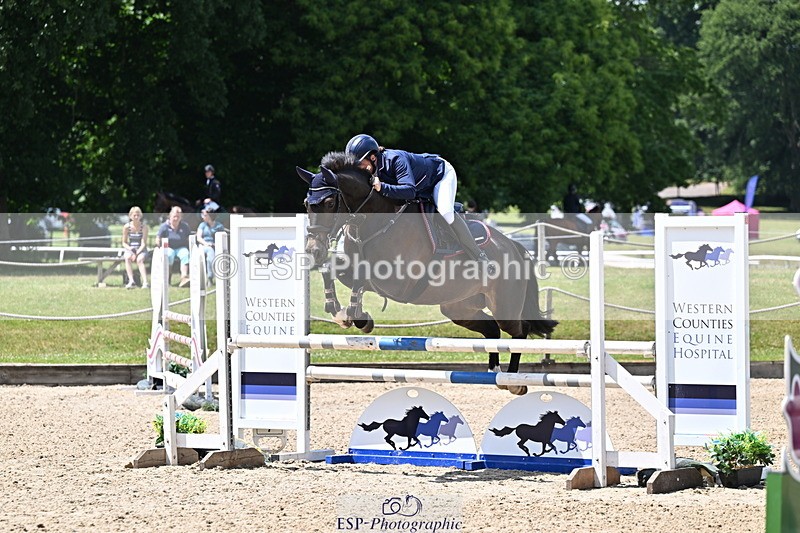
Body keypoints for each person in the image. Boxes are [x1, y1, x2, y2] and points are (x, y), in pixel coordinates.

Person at [344, 134, 492, 271]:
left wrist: (382, 187)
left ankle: (479, 256)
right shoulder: (372, 168)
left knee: (445, 211)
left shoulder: (396, 159)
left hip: (440, 176)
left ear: (373, 157)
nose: (358, 169)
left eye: (359, 164)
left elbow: (409, 191)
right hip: (422, 185)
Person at [156, 206, 192, 287]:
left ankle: (184, 277)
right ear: (170, 216)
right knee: (169, 255)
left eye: (178, 217)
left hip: (181, 247)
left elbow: (189, 237)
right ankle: (167, 277)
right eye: (174, 216)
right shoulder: (164, 226)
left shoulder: (185, 226)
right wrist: (158, 245)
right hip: (168, 247)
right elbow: (158, 237)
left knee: (185, 254)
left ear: (181, 217)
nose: (176, 219)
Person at [195, 208, 226, 283]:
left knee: (212, 252)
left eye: (205, 215)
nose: (203, 217)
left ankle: (213, 277)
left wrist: (215, 244)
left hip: (217, 246)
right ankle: (210, 277)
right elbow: (199, 238)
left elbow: (222, 238)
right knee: (210, 251)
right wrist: (206, 243)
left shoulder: (219, 226)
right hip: (204, 245)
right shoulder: (202, 225)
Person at [122, 206, 149, 289]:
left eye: (138, 215)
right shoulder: (127, 227)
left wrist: (136, 253)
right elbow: (124, 242)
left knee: (139, 260)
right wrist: (131, 249)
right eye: (134, 215)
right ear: (130, 216)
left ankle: (145, 282)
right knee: (127, 257)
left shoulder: (144, 227)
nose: (136, 217)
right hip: (131, 249)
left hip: (141, 249)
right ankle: (131, 281)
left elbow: (143, 243)